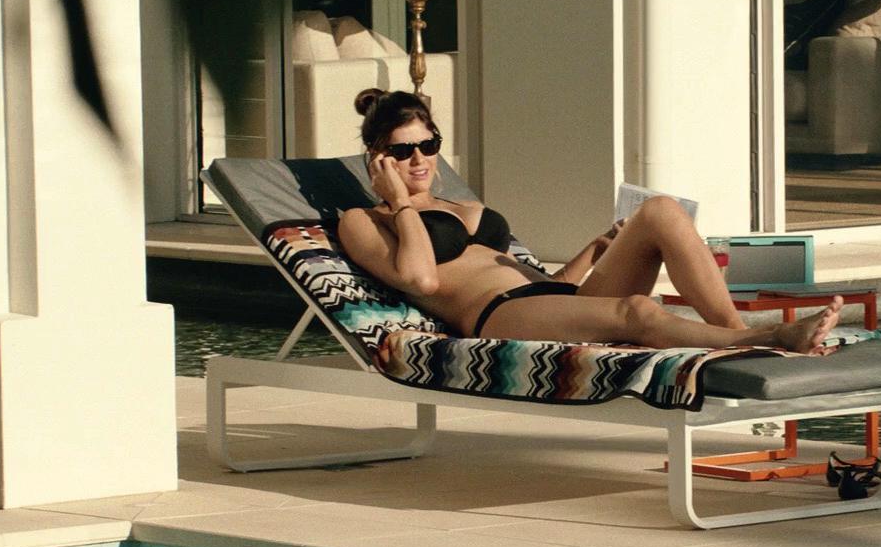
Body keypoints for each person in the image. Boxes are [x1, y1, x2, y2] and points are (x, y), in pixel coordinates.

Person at [335, 89, 842, 353]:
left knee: (660, 211)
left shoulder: (459, 204)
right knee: (637, 310)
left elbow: (548, 285)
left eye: (429, 145)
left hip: (548, 299)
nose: (420, 159)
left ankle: (732, 333)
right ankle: (767, 339)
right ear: (377, 157)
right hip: (497, 318)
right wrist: (399, 201)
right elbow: (421, 278)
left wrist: (596, 250)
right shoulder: (364, 220)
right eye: (402, 151)